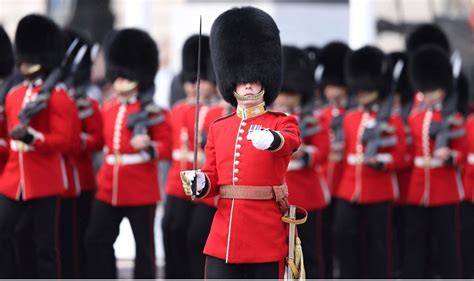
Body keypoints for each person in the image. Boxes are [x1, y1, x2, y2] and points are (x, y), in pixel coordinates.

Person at [180, 6, 301, 279]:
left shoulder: (281, 122)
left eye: (254, 81)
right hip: (224, 234)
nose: (247, 86)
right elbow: (213, 175)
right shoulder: (219, 128)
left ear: (264, 83)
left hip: (264, 233)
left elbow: (291, 142)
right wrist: (201, 184)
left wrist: (272, 140)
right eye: (241, 81)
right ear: (231, 84)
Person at [85, 28, 172, 278]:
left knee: (144, 249)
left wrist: (149, 147)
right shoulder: (108, 108)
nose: (121, 80)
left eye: (126, 75)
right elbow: (99, 140)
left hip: (140, 188)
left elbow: (166, 147)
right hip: (108, 185)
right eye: (118, 75)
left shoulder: (154, 112)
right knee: (97, 240)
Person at [0, 14, 76, 278]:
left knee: (45, 248)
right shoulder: (13, 95)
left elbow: (66, 141)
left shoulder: (58, 96)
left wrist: (32, 137)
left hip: (44, 180)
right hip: (13, 180)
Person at [333, 46, 406, 278]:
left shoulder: (392, 119)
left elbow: (402, 156)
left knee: (378, 245)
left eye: (367, 87)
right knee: (344, 238)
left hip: (378, 190)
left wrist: (382, 162)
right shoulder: (350, 118)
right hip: (349, 189)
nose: (362, 92)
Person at [401, 45, 465, 279]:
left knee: (447, 241)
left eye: (433, 90)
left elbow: (463, 152)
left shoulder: (454, 117)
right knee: (415, 240)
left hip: (444, 187)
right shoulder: (414, 116)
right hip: (417, 188)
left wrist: (449, 156)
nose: (429, 95)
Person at [162, 34, 219, 279]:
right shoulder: (177, 111)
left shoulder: (220, 111)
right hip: (178, 183)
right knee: (171, 231)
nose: (195, 84)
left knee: (197, 237)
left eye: (202, 79)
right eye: (191, 79)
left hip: (205, 185)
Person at [272, 45, 330, 279]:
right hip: (277, 195)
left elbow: (322, 151)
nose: (285, 97)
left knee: (310, 254)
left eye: (290, 92)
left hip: (306, 196)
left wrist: (304, 153)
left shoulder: (312, 119)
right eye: (282, 92)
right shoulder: (270, 118)